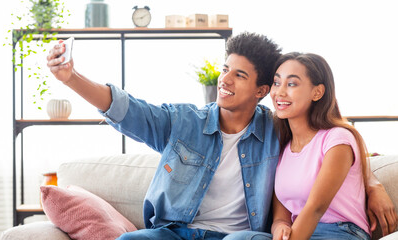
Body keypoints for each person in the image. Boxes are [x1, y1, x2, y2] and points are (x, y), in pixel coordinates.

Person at [46, 33, 396, 240]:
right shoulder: (183, 122)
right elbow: (128, 111)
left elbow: (334, 146)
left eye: (239, 75)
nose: (224, 80)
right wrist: (71, 77)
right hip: (176, 233)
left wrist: (372, 183)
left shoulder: (276, 128)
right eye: (225, 69)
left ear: (261, 89)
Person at [268, 52, 398, 240]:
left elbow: (316, 207)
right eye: (277, 82)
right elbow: (281, 215)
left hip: (342, 232)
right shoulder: (281, 146)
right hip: (302, 233)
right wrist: (280, 227)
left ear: (317, 92)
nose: (279, 92)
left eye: (292, 84)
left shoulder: (337, 139)